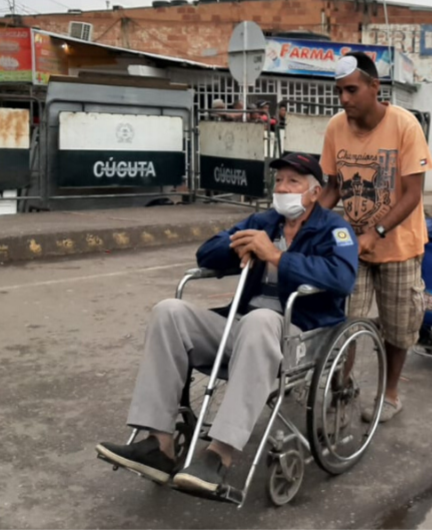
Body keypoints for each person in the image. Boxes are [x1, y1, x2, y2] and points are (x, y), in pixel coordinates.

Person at [96, 153, 357, 495]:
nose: (282, 188)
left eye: (293, 181)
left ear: (314, 192)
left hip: (298, 333)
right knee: (168, 311)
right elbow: (207, 253)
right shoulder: (264, 221)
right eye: (278, 180)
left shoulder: (334, 229)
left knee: (263, 319)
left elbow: (342, 278)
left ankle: (220, 454)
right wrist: (237, 249)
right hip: (241, 324)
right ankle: (159, 445)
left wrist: (278, 257)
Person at [318, 52, 432, 423]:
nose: (345, 99)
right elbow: (333, 187)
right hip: (354, 246)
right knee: (344, 320)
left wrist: (377, 231)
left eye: (351, 90)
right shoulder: (336, 127)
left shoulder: (405, 126)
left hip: (400, 246)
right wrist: (307, 221)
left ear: (374, 87)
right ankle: (342, 386)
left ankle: (390, 394)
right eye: (339, 91)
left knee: (398, 328)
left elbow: (413, 195)